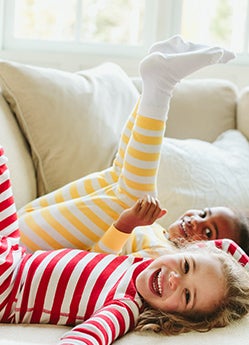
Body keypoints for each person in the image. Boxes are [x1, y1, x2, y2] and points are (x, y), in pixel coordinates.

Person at [16, 36, 249, 257]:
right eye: (203, 213)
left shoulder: (163, 259)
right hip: (16, 232)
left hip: (25, 257)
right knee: (119, 175)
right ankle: (156, 84)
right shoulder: (159, 234)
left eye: (208, 232)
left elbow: (97, 269)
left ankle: (162, 83)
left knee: (132, 197)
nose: (196, 220)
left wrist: (124, 226)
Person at [0, 145, 249, 345]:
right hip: (17, 254)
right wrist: (125, 224)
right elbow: (222, 246)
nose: (174, 279)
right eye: (185, 266)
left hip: (7, 288)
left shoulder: (126, 306)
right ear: (186, 249)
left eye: (187, 295)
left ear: (177, 317)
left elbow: (90, 336)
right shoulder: (140, 263)